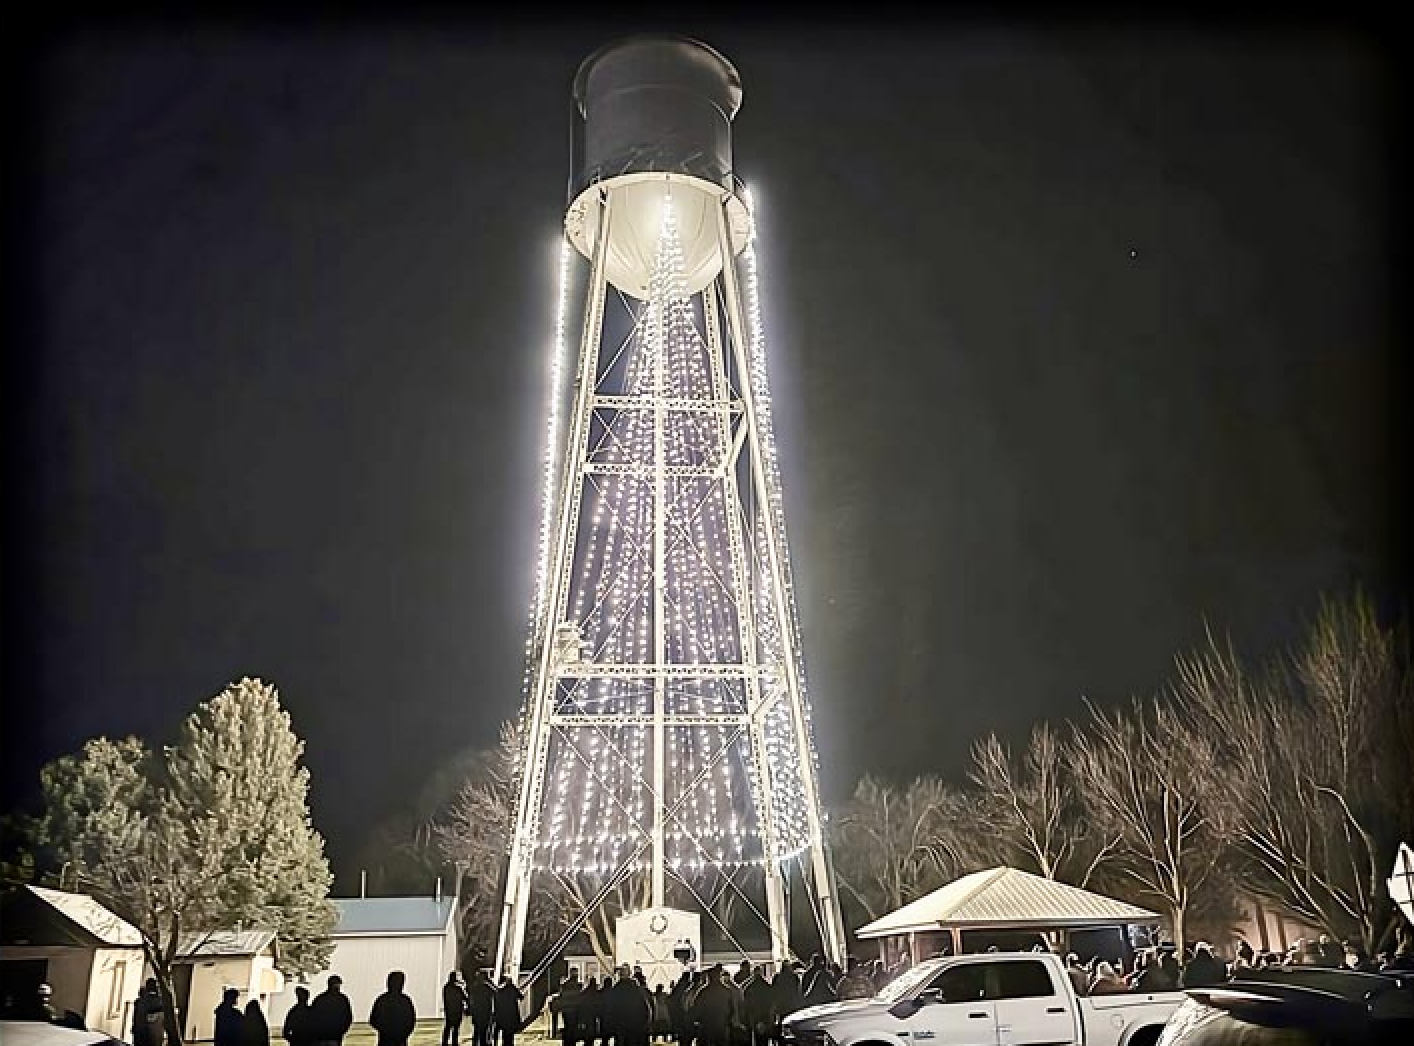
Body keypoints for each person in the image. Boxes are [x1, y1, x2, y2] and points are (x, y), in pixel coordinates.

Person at [688, 967, 737, 1046]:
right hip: (722, 1026)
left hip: (706, 1026)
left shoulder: (703, 992)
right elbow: (732, 1009)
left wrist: (696, 1020)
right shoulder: (727, 991)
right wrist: (727, 1020)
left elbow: (696, 1008)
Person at [607, 965, 652, 1046]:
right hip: (637, 1026)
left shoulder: (615, 990)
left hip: (621, 1026)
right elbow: (645, 1008)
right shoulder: (637, 990)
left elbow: (610, 1010)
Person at [370, 971, 417, 1046]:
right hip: (401, 1039)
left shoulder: (382, 1000)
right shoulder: (406, 1001)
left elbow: (373, 1020)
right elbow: (411, 1021)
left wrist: (384, 1031)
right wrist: (404, 1034)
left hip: (385, 1039)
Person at [310, 975, 354, 1046]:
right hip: (332, 1036)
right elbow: (348, 1018)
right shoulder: (342, 999)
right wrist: (342, 1031)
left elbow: (312, 1017)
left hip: (323, 1036)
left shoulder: (320, 999)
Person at [132, 978, 167, 1046]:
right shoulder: (160, 1002)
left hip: (139, 1033)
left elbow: (135, 1017)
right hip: (153, 1036)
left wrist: (134, 1028)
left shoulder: (139, 1001)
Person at [493, 976, 524, 1046]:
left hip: (503, 1014)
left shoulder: (500, 990)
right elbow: (521, 997)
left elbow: (496, 1001)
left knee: (504, 1031)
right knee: (509, 1034)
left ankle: (501, 1043)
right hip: (511, 1014)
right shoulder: (513, 989)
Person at [469, 971, 496, 1046]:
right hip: (486, 1011)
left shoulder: (475, 987)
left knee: (477, 1030)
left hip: (477, 1011)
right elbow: (496, 992)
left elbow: (471, 999)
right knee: (484, 1030)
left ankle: (475, 1044)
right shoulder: (487, 987)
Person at [443, 972, 470, 1046]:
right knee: (456, 1028)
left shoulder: (446, 987)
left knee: (448, 1027)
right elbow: (466, 998)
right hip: (458, 1010)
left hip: (449, 1010)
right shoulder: (458, 988)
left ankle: (444, 1042)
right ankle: (454, 1042)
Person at [559, 972, 584, 1046]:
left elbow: (561, 996)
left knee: (567, 1026)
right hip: (575, 1009)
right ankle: (572, 1042)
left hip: (566, 1009)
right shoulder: (578, 986)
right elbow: (580, 998)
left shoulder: (564, 985)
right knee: (573, 1027)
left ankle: (567, 1042)